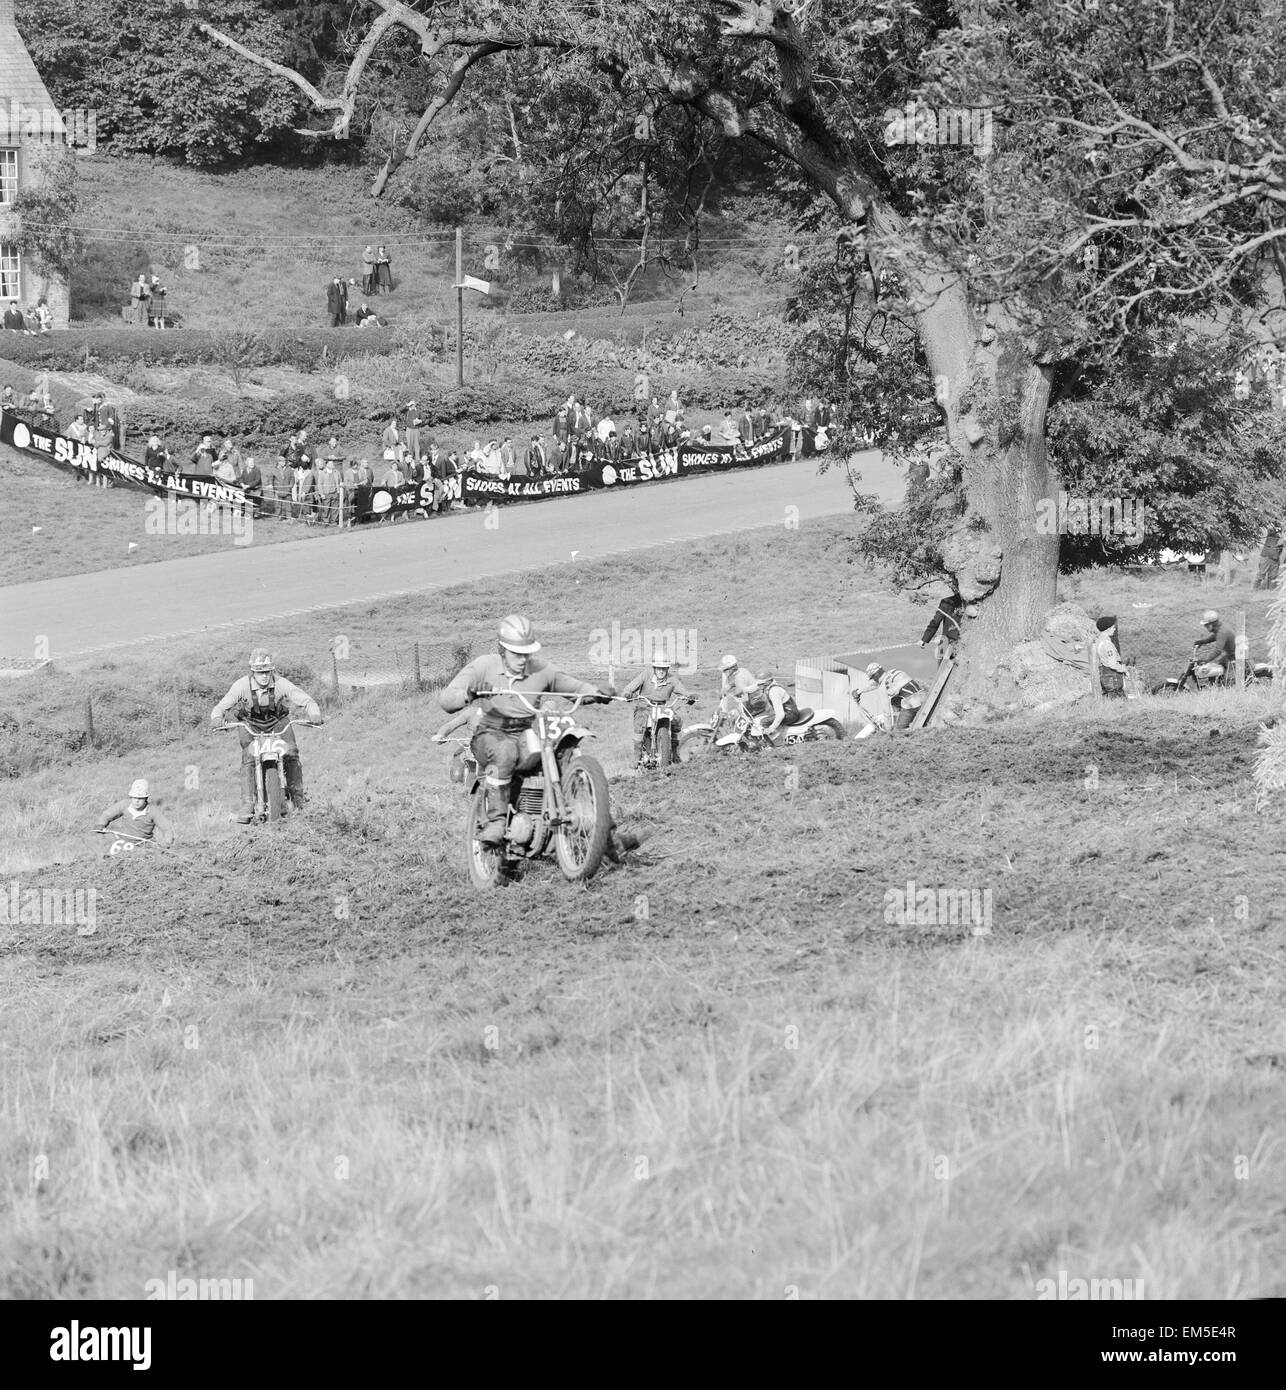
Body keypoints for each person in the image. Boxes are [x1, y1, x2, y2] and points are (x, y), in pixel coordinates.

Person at [439, 615, 621, 848]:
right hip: (490, 732)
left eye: (527, 653)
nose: (523, 660)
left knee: (563, 753)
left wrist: (596, 691)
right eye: (517, 654)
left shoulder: (542, 670)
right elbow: (447, 697)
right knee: (505, 751)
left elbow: (572, 686)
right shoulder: (484, 666)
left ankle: (603, 831)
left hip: (526, 733)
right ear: (502, 649)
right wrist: (469, 693)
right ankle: (495, 820)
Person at [210, 649, 323, 822]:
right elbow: (221, 706)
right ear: (253, 672)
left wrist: (314, 714)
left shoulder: (281, 683)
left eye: (266, 672)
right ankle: (247, 804)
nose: (263, 676)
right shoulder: (241, 686)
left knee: (291, 752)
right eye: (259, 672)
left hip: (277, 721)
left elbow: (305, 700)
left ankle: (298, 798)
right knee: (248, 756)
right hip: (249, 724)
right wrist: (217, 718)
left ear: (272, 670)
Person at [620, 651, 695, 766]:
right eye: (659, 668)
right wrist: (628, 694)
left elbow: (682, 690)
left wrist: (689, 697)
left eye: (664, 668)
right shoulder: (645, 675)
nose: (661, 671)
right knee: (640, 722)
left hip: (663, 706)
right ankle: (637, 755)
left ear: (668, 669)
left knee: (677, 720)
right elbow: (629, 687)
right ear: (654, 668)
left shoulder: (672, 679)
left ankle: (674, 752)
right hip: (645, 706)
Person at [96, 778, 174, 847]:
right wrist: (101, 825)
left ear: (146, 798)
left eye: (140, 798)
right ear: (131, 797)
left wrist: (168, 843)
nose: (136, 801)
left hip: (145, 845)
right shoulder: (124, 804)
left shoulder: (153, 811)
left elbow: (167, 828)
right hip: (124, 844)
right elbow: (106, 815)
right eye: (134, 797)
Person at [755, 670, 806, 742]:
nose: (759, 686)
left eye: (761, 684)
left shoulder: (774, 691)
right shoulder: (769, 687)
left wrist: (771, 728)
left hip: (790, 713)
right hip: (787, 710)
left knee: (764, 722)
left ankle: (776, 742)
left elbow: (780, 715)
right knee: (764, 716)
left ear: (768, 682)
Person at [1193, 608, 1237, 681]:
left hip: (1235, 657)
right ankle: (1216, 683)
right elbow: (1216, 636)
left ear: (1213, 624)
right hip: (1231, 654)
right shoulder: (1220, 628)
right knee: (1218, 666)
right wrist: (1202, 641)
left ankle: (1228, 686)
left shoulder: (1222, 632)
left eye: (1206, 625)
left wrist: (1205, 660)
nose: (1205, 627)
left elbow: (1217, 650)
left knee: (1228, 680)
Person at [919, 592, 964, 658]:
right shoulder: (972, 602)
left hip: (947, 642)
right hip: (964, 641)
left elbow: (935, 622)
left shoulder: (946, 602)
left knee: (942, 665)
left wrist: (924, 639)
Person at [1095, 615, 1127, 698]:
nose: (1114, 629)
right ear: (1107, 629)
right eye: (1113, 627)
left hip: (1104, 674)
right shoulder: (1107, 645)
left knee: (1107, 698)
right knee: (1118, 698)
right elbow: (1112, 664)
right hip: (1112, 675)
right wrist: (1123, 669)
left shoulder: (1099, 641)